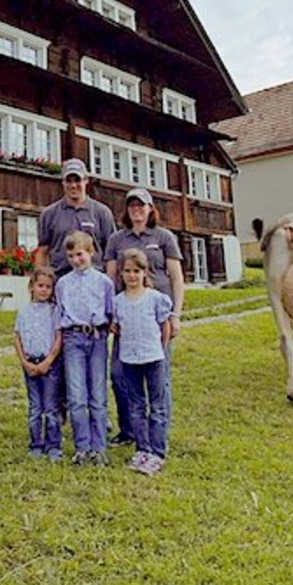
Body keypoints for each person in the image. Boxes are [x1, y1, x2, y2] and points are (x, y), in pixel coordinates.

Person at [104, 188, 185, 444]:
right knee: (119, 373)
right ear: (127, 210)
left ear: (151, 209)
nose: (137, 210)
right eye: (132, 206)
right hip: (126, 316)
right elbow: (109, 279)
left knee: (160, 375)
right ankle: (129, 430)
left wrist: (176, 315)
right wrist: (110, 316)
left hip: (157, 317)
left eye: (142, 205)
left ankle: (159, 430)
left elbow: (176, 277)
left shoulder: (164, 237)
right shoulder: (117, 239)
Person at [111, 249, 174, 475]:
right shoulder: (117, 302)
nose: (132, 276)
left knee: (157, 406)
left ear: (144, 272)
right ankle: (142, 449)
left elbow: (165, 326)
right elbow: (116, 327)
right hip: (129, 359)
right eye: (127, 271)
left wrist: (162, 349)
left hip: (154, 357)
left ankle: (157, 452)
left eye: (136, 271)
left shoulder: (155, 298)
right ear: (121, 273)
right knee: (136, 406)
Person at [54, 230, 115, 466]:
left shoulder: (104, 282)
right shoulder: (63, 284)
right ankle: (82, 447)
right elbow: (60, 314)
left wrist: (103, 332)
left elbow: (110, 313)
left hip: (97, 338)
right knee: (77, 395)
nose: (76, 260)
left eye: (79, 254)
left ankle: (99, 448)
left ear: (90, 253)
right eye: (71, 256)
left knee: (97, 395)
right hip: (73, 339)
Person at [13, 267, 63, 461]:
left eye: (48, 287)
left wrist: (49, 360)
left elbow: (59, 337)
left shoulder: (54, 311)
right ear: (31, 287)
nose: (44, 290)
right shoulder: (24, 311)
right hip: (30, 364)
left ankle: (53, 446)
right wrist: (24, 362)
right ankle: (36, 444)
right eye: (40, 285)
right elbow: (17, 336)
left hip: (49, 364)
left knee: (51, 407)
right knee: (35, 408)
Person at [36, 158, 116, 277]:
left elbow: (112, 253)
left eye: (77, 180)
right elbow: (42, 252)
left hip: (94, 280)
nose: (73, 185)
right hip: (60, 279)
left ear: (86, 181)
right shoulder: (49, 214)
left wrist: (110, 284)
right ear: (63, 182)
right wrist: (40, 280)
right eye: (68, 181)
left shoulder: (102, 213)